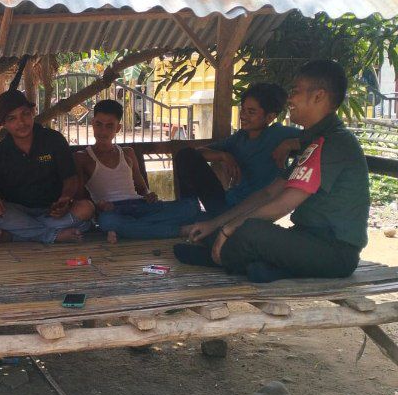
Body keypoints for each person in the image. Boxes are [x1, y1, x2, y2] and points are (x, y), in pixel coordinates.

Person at [177, 60, 369, 282]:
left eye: (295, 91)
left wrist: (228, 229)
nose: (290, 99)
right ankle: (261, 267)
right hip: (304, 237)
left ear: (318, 96)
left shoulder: (335, 143)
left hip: (335, 252)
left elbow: (283, 204)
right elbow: (268, 193)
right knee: (219, 225)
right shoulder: (313, 141)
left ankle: (224, 258)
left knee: (250, 231)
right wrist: (216, 224)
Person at [0, 89, 94, 243]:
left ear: (33, 112)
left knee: (87, 208)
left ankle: (16, 234)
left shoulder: (54, 140)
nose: (21, 122)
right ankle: (52, 235)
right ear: (3, 123)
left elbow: (70, 178)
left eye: (25, 114)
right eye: (12, 118)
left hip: (52, 211)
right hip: (17, 212)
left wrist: (65, 199)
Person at [74, 99, 199, 243]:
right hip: (111, 210)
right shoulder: (82, 157)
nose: (103, 131)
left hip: (139, 205)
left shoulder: (128, 153)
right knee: (107, 221)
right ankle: (180, 230)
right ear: (92, 123)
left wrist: (148, 195)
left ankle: (126, 230)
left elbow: (142, 189)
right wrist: (98, 206)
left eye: (109, 126)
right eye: (99, 124)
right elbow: (80, 197)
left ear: (118, 128)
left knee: (190, 207)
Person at [174, 83, 301, 217]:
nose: (243, 116)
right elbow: (196, 154)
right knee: (184, 155)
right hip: (227, 204)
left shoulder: (278, 134)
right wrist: (223, 156)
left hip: (257, 209)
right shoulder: (240, 138)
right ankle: (188, 210)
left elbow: (315, 138)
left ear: (269, 117)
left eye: (251, 112)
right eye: (243, 110)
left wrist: (289, 144)